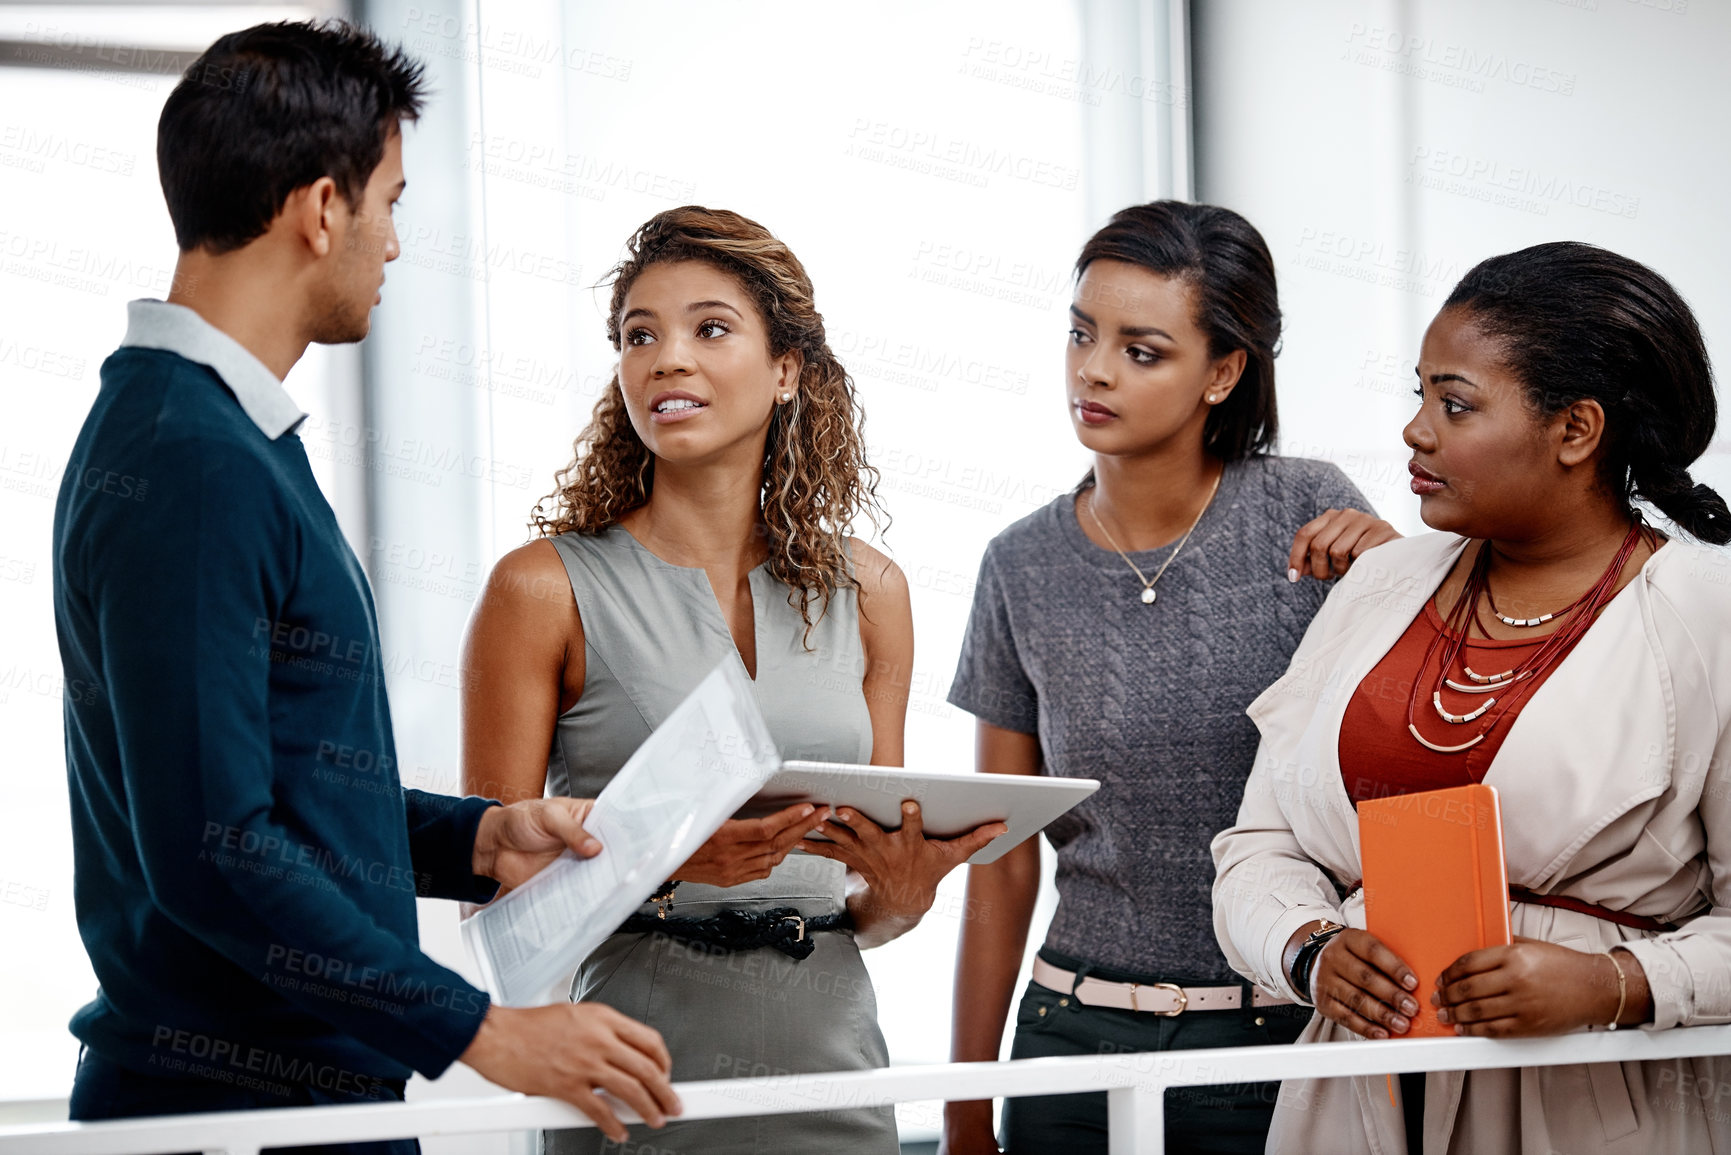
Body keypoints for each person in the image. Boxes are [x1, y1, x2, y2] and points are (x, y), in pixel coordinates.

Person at [51, 22, 680, 1152]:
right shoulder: (193, 459)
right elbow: (215, 849)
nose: (394, 242)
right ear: (322, 207)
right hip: (231, 1114)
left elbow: (263, 790)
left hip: (284, 1102)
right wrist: (481, 1030)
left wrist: (479, 841)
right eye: (390, 200)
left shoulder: (208, 434)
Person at [460, 204, 1004, 1155]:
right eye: (639, 335)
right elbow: (490, 896)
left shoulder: (871, 591)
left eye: (709, 327)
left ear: (787, 369)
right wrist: (670, 855)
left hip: (834, 1059)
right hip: (631, 1069)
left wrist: (904, 894)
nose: (666, 357)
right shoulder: (540, 587)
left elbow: (864, 903)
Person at [1212, 241, 1731, 1153]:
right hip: (1359, 1094)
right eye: (1418, 395)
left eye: (1453, 404)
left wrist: (1612, 980)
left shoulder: (1702, 613)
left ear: (1575, 430)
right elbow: (1259, 843)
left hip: (1590, 1090)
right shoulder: (1379, 585)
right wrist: (1309, 948)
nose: (1416, 430)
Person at [939, 200, 1399, 1155]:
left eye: (1141, 350)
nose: (1092, 369)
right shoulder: (1019, 563)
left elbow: (1415, 766)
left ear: (1223, 372)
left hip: (1275, 1036)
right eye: (1080, 333)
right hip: (1066, 1042)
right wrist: (964, 1102)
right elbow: (1002, 848)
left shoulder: (1311, 513)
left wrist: (1404, 579)